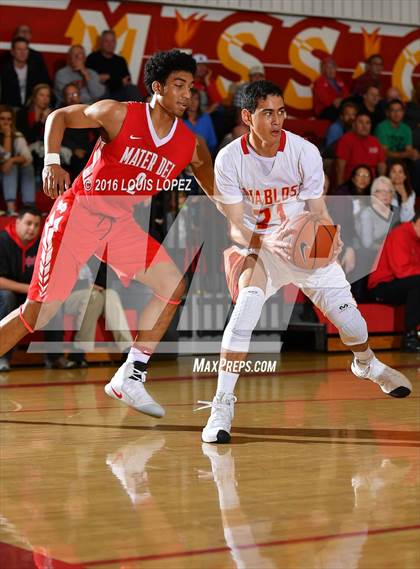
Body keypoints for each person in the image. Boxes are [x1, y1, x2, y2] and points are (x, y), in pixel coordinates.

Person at [0, 49, 215, 417]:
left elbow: (219, 192)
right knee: (39, 313)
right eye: (178, 85)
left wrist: (248, 223)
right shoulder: (118, 112)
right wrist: (52, 162)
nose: (186, 94)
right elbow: (59, 116)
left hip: (118, 226)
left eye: (191, 87)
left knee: (171, 285)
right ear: (156, 87)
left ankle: (129, 377)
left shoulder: (190, 145)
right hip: (78, 215)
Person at [197, 80, 411, 444]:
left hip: (304, 246)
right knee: (245, 310)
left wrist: (329, 232)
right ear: (248, 116)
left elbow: (318, 210)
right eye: (268, 113)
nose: (277, 119)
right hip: (257, 247)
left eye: (281, 111)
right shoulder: (229, 158)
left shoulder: (304, 151)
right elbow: (234, 227)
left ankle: (366, 363)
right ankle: (222, 405)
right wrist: (264, 240)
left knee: (354, 326)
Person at [0, 206, 75, 371]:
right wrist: (29, 289)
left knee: (54, 299)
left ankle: (54, 357)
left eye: (36, 225)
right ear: (17, 222)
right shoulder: (3, 241)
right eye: (28, 223)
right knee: (6, 297)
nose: (32, 228)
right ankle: (2, 358)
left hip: (32, 294)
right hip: (8, 293)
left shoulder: (43, 243)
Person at [368, 212, 420, 353]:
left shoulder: (416, 237)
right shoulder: (400, 234)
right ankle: (409, 337)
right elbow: (402, 271)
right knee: (418, 283)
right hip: (382, 286)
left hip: (401, 284)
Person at [86, 30, 142, 102]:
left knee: (132, 89)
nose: (110, 44)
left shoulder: (120, 61)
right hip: (100, 95)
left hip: (118, 94)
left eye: (112, 41)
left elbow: (127, 80)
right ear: (101, 42)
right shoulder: (92, 58)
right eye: (107, 41)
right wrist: (119, 80)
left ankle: (141, 112)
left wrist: (108, 78)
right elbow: (92, 81)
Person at [0, 105, 36, 215]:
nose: (6, 122)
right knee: (12, 165)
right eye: (2, 119)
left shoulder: (17, 135)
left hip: (10, 173)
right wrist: (7, 136)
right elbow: (5, 157)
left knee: (27, 167)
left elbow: (28, 157)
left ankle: (29, 208)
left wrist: (12, 160)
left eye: (9, 119)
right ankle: (11, 208)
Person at [335, 111, 386, 186]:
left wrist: (382, 183)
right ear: (354, 125)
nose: (364, 126)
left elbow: (381, 164)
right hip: (351, 183)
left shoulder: (375, 141)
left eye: (367, 123)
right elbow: (340, 166)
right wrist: (340, 187)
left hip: (371, 184)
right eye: (360, 122)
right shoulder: (345, 139)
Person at [0, 37, 50, 108]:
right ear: (12, 52)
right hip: (8, 110)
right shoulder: (3, 70)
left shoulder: (36, 70)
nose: (22, 52)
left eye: (25, 49)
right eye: (19, 49)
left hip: (30, 110)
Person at [16, 83, 53, 179]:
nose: (45, 99)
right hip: (27, 149)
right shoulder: (23, 113)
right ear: (34, 97)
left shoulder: (53, 114)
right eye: (42, 95)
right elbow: (28, 137)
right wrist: (41, 121)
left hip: (45, 150)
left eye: (47, 96)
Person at [312, 56, 349, 121]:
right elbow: (325, 100)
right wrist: (336, 101)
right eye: (328, 67)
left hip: (340, 106)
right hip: (325, 110)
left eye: (333, 67)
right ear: (323, 69)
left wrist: (341, 100)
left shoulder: (338, 80)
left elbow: (346, 94)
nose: (331, 70)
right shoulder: (319, 81)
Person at [183, 87, 217, 155]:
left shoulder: (205, 118)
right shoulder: (179, 120)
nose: (193, 102)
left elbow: (212, 143)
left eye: (196, 99)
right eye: (190, 98)